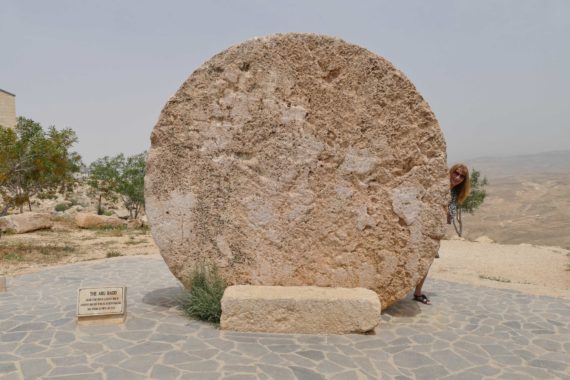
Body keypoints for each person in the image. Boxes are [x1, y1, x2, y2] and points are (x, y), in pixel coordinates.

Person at [413, 163, 471, 305]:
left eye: (461, 176)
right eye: (456, 173)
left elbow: (448, 217)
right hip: (419, 227)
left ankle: (418, 293)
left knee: (427, 261)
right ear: (451, 172)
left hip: (434, 231)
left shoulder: (455, 194)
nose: (457, 178)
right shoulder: (438, 185)